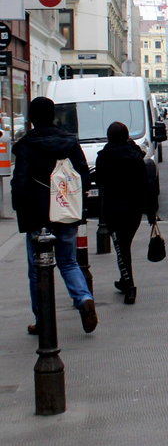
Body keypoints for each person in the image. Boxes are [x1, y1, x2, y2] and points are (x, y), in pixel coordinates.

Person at [12, 96, 96, 335]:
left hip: (38, 215)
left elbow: (20, 182)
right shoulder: (69, 142)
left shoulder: (27, 145)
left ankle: (43, 318)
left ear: (31, 118)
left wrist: (21, 209)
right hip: (65, 210)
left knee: (37, 268)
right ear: (53, 116)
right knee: (68, 261)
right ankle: (83, 298)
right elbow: (83, 175)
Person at [94, 121, 159, 305]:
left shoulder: (105, 156)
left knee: (121, 248)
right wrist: (151, 213)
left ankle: (130, 287)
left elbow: (99, 181)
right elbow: (146, 186)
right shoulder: (136, 157)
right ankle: (125, 281)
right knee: (125, 245)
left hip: (113, 209)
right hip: (134, 209)